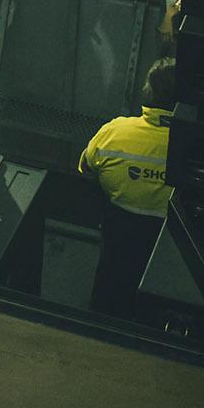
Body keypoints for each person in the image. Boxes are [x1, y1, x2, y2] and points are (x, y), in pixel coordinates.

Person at [79, 57, 177, 318]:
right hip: (167, 273)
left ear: (148, 92)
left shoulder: (115, 131)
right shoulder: (197, 148)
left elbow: (86, 170)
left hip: (115, 255)